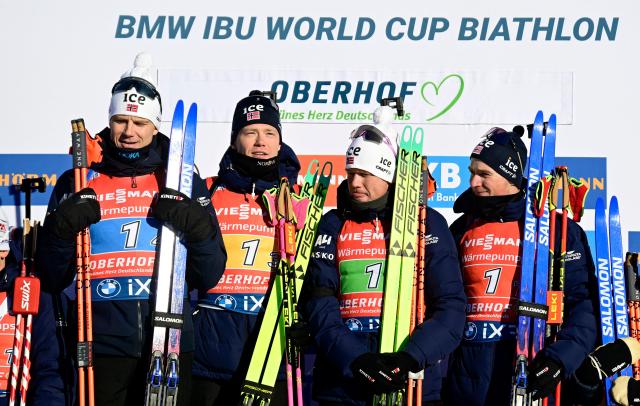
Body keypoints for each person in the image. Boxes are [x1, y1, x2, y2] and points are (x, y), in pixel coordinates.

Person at [36, 53, 226, 406]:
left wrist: (197, 226)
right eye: (120, 120)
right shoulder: (78, 181)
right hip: (100, 343)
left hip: (169, 343)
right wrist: (62, 228)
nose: (129, 132)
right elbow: (51, 275)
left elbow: (210, 272)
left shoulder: (183, 180)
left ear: (155, 126)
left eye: (139, 122)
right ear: (109, 121)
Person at [301, 107, 466, 405]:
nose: (354, 183)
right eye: (351, 173)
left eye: (365, 174)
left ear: (388, 173)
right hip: (342, 385)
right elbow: (318, 302)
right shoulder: (332, 223)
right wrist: (355, 359)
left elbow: (450, 308)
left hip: (410, 385)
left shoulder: (427, 224)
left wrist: (410, 358)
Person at [444, 126, 598, 405]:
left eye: (484, 174)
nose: (474, 182)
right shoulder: (460, 229)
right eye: (472, 172)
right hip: (465, 382)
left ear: (510, 175)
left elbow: (583, 305)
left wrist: (560, 360)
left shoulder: (557, 230)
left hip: (530, 372)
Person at [190, 90, 301, 405]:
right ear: (234, 139)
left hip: (270, 355)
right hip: (207, 357)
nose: (260, 141)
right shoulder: (208, 191)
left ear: (279, 142)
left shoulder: (296, 199)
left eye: (269, 132)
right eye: (250, 132)